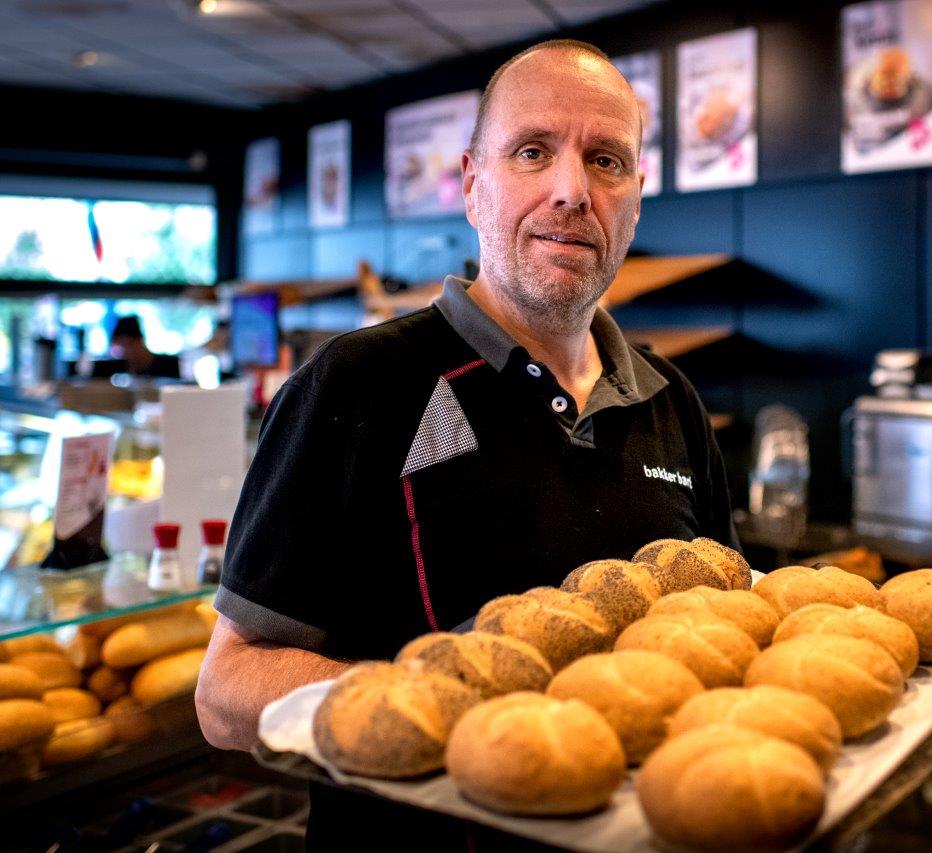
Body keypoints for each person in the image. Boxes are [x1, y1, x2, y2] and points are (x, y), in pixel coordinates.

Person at [195, 39, 738, 848]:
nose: (572, 190)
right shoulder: (357, 383)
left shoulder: (673, 400)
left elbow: (727, 629)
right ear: (472, 184)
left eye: (606, 160)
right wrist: (442, 708)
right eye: (532, 152)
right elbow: (225, 690)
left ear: (635, 200)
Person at [96, 315, 181, 379]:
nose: (124, 353)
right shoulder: (117, 369)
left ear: (139, 341)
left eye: (126, 345)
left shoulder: (169, 365)